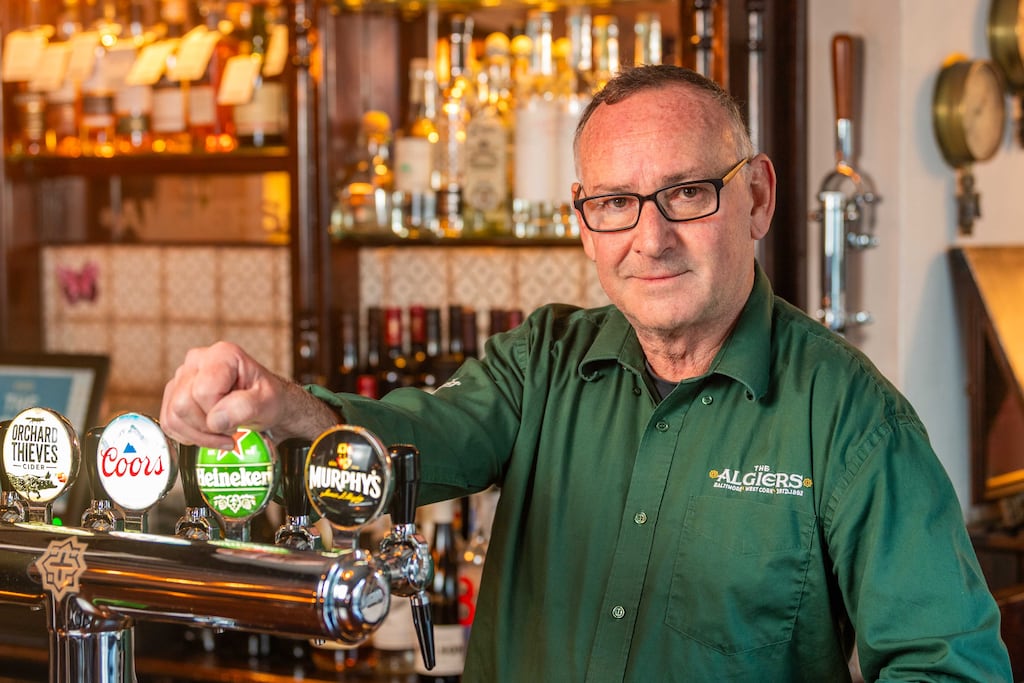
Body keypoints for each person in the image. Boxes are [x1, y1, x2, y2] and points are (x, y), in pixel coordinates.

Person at [161, 65, 1012, 681]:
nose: (650, 237)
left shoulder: (852, 420)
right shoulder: (542, 362)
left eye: (687, 193)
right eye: (614, 203)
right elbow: (413, 445)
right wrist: (283, 409)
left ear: (756, 197)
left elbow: (952, 667)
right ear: (582, 220)